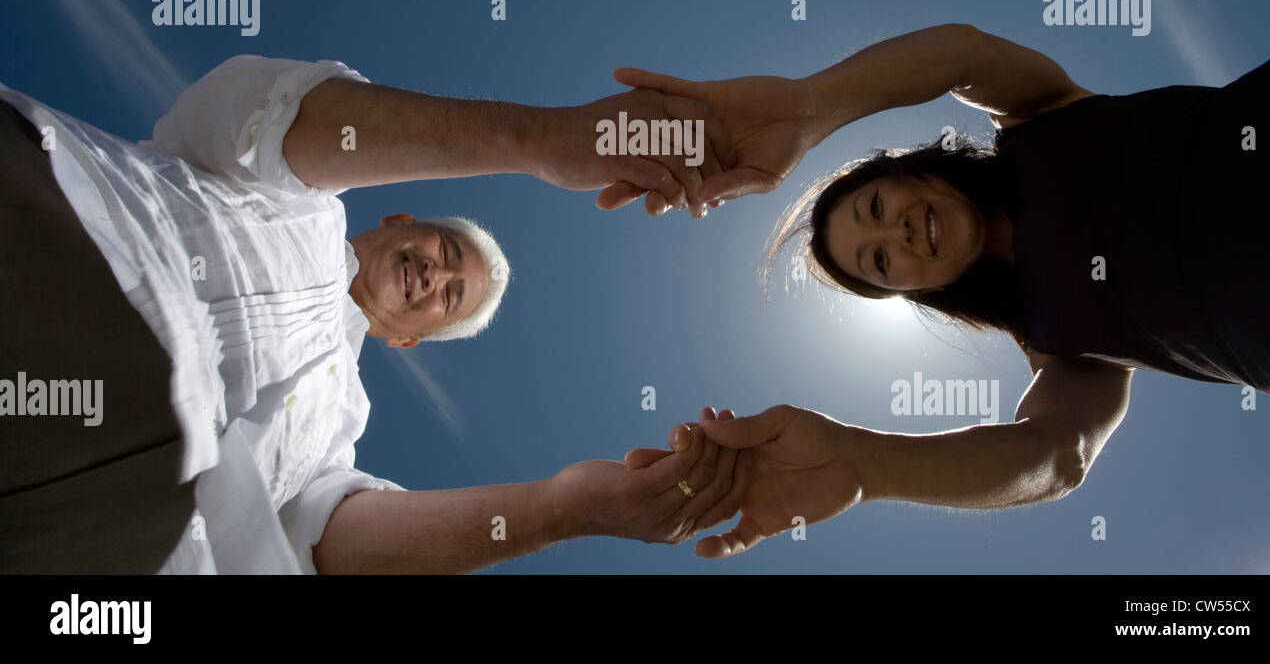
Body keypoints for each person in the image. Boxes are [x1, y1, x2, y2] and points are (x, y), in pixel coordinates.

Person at [0, 54, 737, 573]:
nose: (435, 273)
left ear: (408, 338)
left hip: (83, 525)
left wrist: (564, 510)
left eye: (451, 295)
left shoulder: (337, 425)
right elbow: (271, 115)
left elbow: (323, 545)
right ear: (399, 216)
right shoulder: (299, 193)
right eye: (446, 249)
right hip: (48, 238)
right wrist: (539, 140)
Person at [608, 22, 1270, 557]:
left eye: (876, 208)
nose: (896, 237)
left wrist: (808, 106)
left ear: (911, 170)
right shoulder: (1058, 344)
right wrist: (864, 466)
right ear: (914, 293)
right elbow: (1058, 457)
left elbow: (965, 55)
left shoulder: (1043, 120)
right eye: (879, 264)